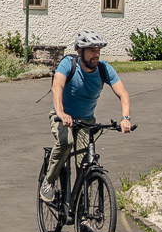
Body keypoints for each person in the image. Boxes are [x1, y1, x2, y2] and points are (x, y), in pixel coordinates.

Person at [40, 28, 132, 201]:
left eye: (98, 50)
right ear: (80, 51)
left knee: (85, 164)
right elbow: (57, 87)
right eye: (91, 50)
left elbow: (123, 94)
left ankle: (83, 215)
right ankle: (49, 180)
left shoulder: (104, 69)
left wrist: (125, 118)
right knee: (66, 142)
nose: (96, 54)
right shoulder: (68, 63)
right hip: (62, 115)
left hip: (86, 120)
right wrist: (61, 112)